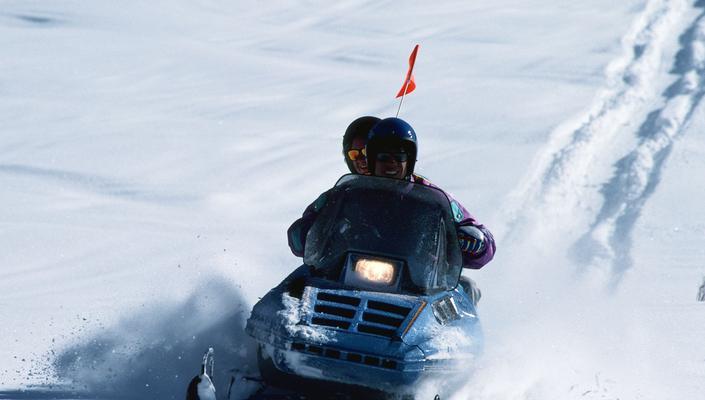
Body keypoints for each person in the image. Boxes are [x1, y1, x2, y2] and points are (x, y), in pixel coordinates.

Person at [288, 117, 495, 303]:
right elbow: (306, 228)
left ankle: (453, 343)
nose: (391, 164)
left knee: (459, 296)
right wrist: (305, 234)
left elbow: (477, 234)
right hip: (343, 276)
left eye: (398, 158)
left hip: (417, 284)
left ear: (410, 159)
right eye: (383, 158)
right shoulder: (344, 194)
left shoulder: (430, 197)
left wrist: (476, 242)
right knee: (296, 283)